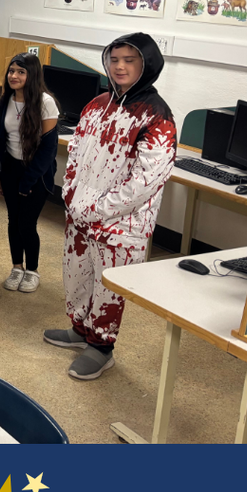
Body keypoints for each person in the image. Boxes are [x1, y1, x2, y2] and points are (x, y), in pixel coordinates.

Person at [44, 33, 175, 380]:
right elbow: (74, 154)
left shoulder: (156, 116)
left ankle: (102, 348)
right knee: (76, 276)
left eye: (129, 60)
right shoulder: (97, 104)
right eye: (114, 59)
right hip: (80, 215)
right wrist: (71, 196)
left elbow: (145, 182)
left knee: (107, 288)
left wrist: (98, 209)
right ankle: (79, 329)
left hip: (120, 226)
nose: (119, 66)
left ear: (146, 66)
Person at [0, 53, 59, 294]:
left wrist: (28, 180)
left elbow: (48, 150)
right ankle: (16, 267)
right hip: (11, 169)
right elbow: (0, 141)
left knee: (27, 224)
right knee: (13, 221)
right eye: (11, 71)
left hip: (36, 172)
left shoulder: (45, 102)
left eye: (20, 72)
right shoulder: (5, 100)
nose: (14, 76)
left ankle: (32, 270)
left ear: (31, 76)